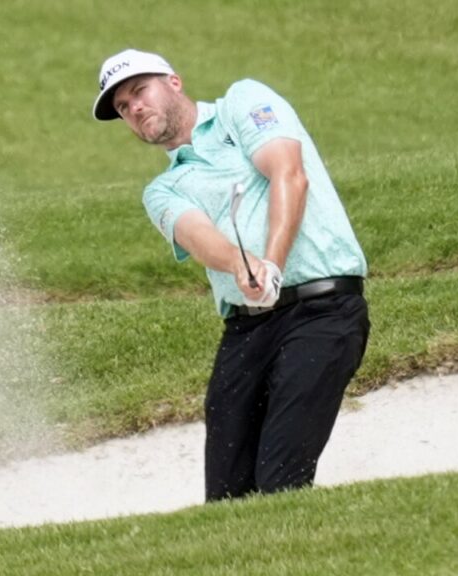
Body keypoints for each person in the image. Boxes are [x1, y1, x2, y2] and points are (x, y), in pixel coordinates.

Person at [91, 49, 371, 501]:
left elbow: (289, 174)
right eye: (123, 107)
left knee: (280, 479)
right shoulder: (162, 190)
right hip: (246, 329)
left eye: (139, 91)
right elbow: (198, 235)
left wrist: (273, 263)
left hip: (324, 311)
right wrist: (242, 266)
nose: (134, 108)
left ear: (173, 82)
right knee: (226, 499)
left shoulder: (242, 103)